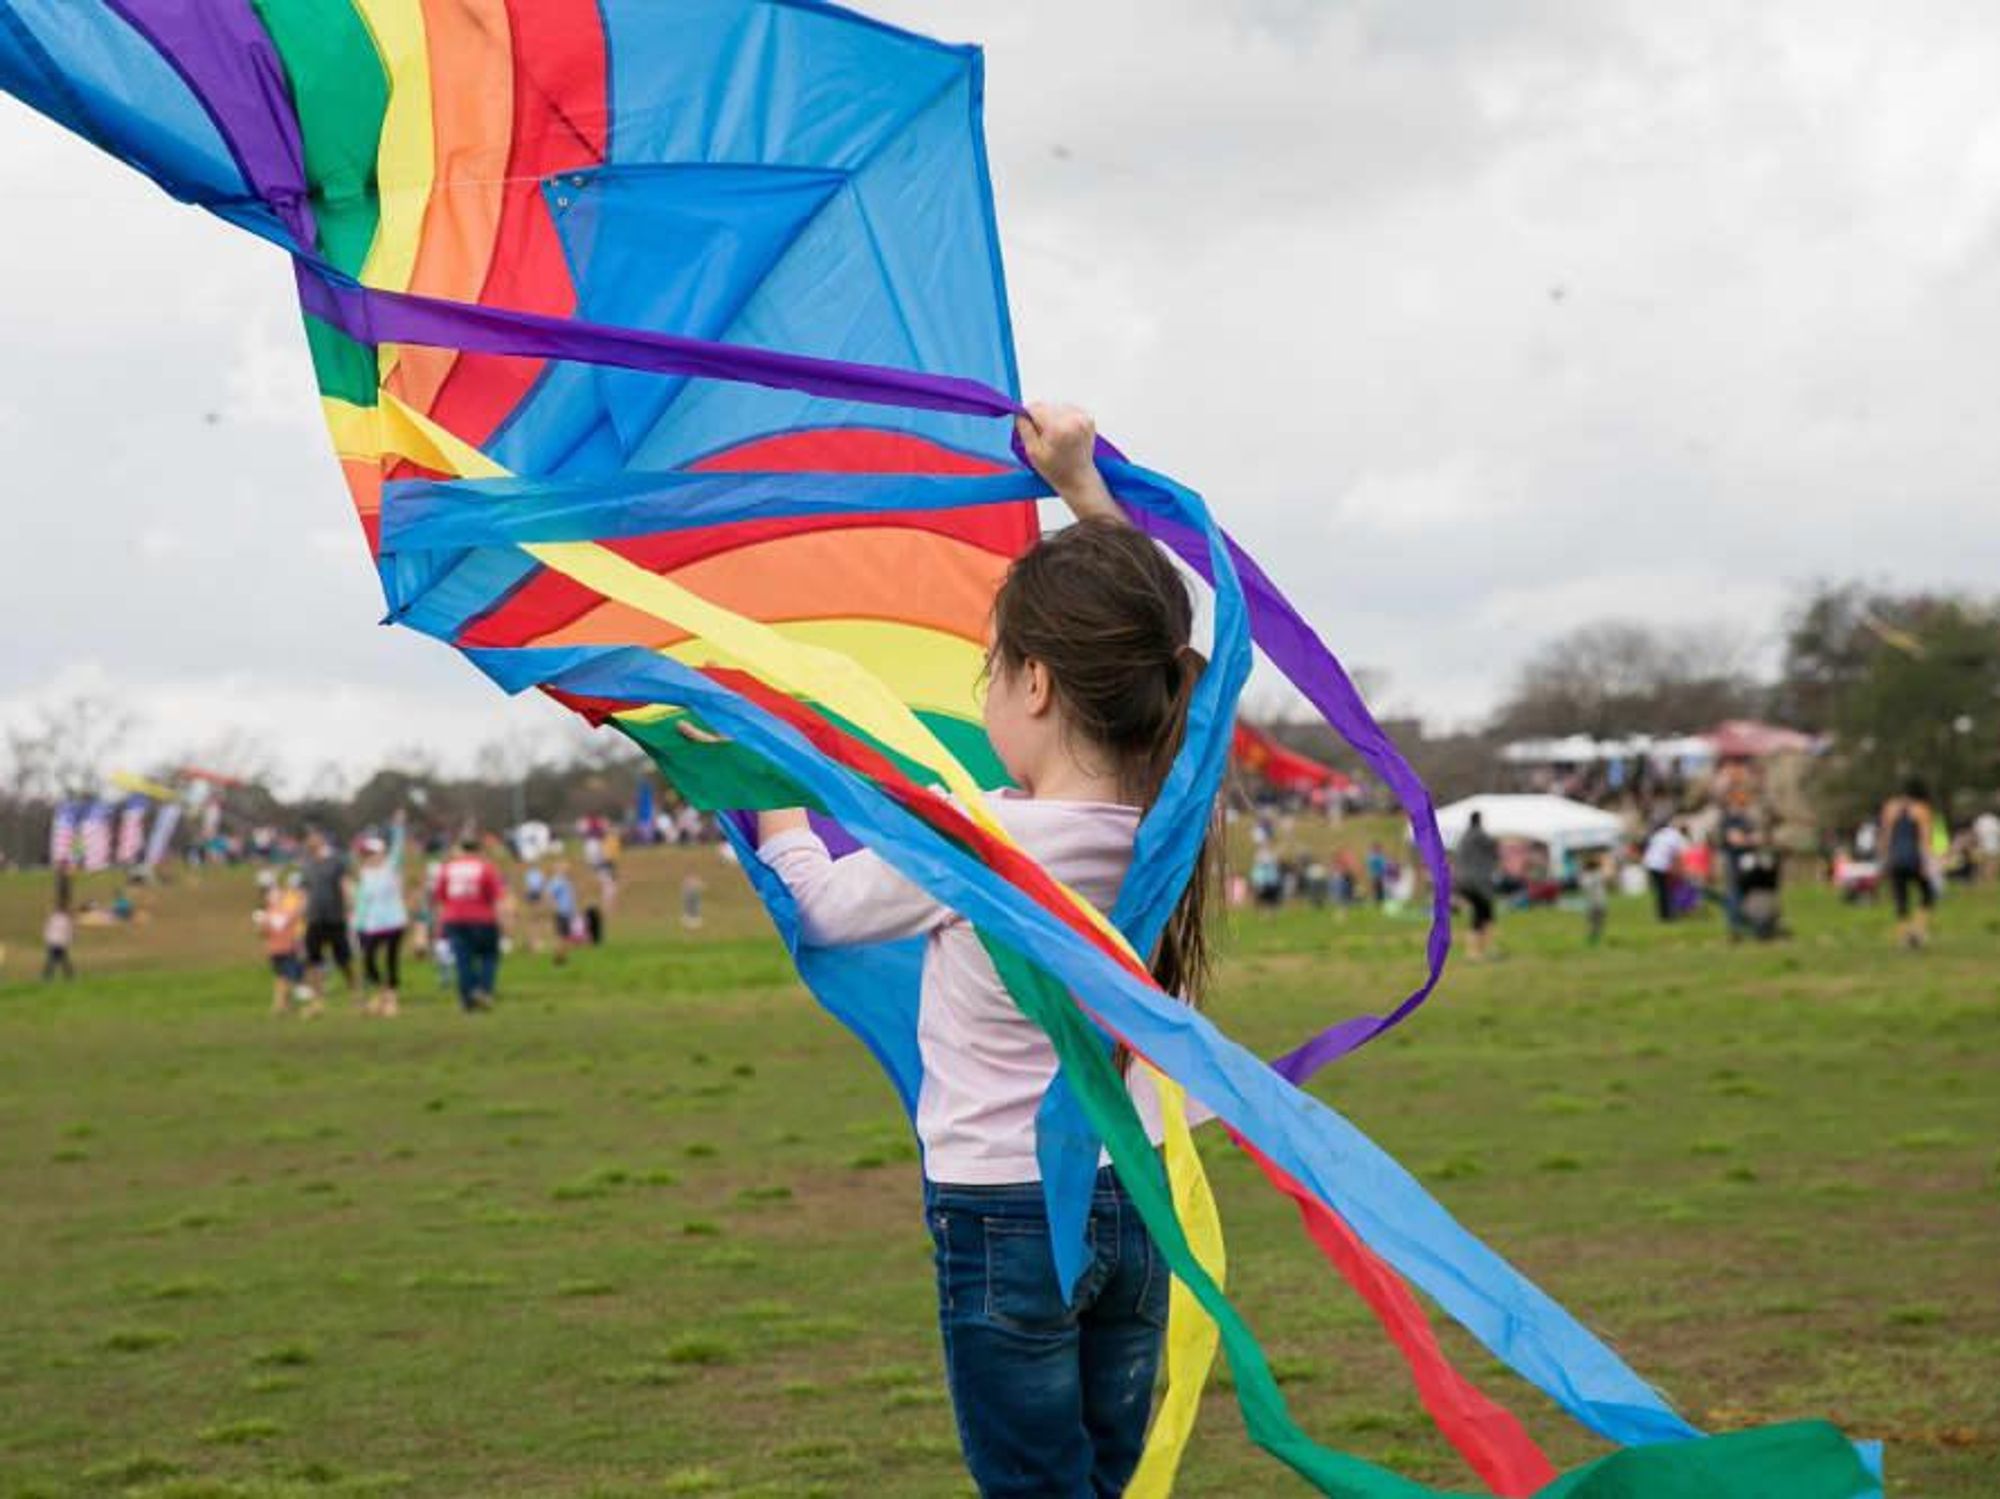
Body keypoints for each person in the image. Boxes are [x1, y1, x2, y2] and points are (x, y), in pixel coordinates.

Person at [751, 404, 1194, 1497]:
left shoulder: (977, 844)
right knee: (1099, 1478)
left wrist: (766, 795)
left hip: (1004, 1211)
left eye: (991, 669)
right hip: (1133, 1205)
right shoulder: (1169, 817)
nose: (985, 691)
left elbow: (826, 908)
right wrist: (1081, 488)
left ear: (1035, 682)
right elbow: (1182, 651)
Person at [432, 834, 507, 1010]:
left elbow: (440, 897)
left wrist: (440, 922)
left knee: (463, 959)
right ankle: (483, 990)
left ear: (460, 850)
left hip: (454, 919)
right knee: (489, 956)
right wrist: (503, 921)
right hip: (483, 919)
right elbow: (497, 897)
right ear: (478, 850)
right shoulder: (486, 868)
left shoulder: (447, 868)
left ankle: (467, 998)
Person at [353, 812, 410, 1017]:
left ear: (381, 853)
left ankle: (391, 1000)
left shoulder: (390, 867)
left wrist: (399, 827)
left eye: (372, 853)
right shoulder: (364, 874)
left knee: (391, 961)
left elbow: (399, 848)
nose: (368, 857)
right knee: (368, 961)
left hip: (394, 922)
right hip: (372, 925)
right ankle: (383, 995)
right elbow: (362, 902)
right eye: (366, 854)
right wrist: (357, 924)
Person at [298, 830, 357, 1002]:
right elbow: (304, 890)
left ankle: (354, 990)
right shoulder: (306, 865)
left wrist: (349, 904)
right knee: (313, 959)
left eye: (313, 840)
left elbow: (344, 884)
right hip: (314, 917)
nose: (310, 844)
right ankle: (317, 996)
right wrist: (302, 910)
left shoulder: (336, 862)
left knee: (343, 959)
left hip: (335, 917)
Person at [1878, 778, 1935, 948]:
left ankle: (1904, 937)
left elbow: (1886, 837)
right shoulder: (1922, 810)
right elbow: (1924, 839)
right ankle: (1918, 929)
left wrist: (1885, 859)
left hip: (1895, 858)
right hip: (1914, 858)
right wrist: (1926, 863)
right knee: (1928, 893)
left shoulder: (1890, 808)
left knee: (1900, 898)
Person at [254, 881, 317, 1018]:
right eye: (272, 895)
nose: (276, 897)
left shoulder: (287, 911)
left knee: (284, 978)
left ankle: (280, 1006)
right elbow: (262, 933)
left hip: (289, 950)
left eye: (278, 895)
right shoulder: (267, 914)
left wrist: (304, 898)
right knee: (288, 978)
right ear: (267, 899)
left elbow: (300, 914)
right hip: (275, 952)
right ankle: (298, 1005)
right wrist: (261, 924)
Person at [1452, 810, 1500, 960]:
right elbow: (1494, 850)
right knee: (1484, 916)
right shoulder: (1480, 835)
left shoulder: (1463, 838)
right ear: (1480, 820)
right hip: (1478, 883)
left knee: (1480, 915)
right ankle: (1479, 951)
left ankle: (1477, 950)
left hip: (1462, 882)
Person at [1642, 818, 1686, 923]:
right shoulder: (1675, 835)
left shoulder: (1659, 834)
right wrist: (1678, 869)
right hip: (1661, 865)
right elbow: (1676, 855)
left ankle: (1663, 914)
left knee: (1661, 891)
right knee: (1665, 891)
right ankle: (1667, 915)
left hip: (1651, 863)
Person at [547, 861, 579, 965]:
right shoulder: (557, 881)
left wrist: (574, 910)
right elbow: (550, 894)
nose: (567, 869)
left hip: (567, 912)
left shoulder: (566, 881)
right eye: (564, 867)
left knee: (566, 936)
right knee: (561, 936)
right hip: (561, 912)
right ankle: (558, 958)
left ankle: (563, 957)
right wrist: (554, 906)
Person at [1579, 853, 1611, 947]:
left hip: (1592, 903)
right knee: (1598, 921)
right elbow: (1608, 877)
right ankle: (1595, 935)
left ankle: (1594, 935)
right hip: (1599, 902)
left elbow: (1584, 887)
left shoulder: (1587, 876)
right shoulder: (1598, 874)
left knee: (1593, 921)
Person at [41, 904, 75, 981]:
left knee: (52, 960)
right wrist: (69, 941)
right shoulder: (66, 919)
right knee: (63, 960)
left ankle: (47, 977)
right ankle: (69, 976)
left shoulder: (52, 918)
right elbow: (69, 931)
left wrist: (47, 940)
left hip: (52, 942)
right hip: (60, 942)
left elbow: (47, 929)